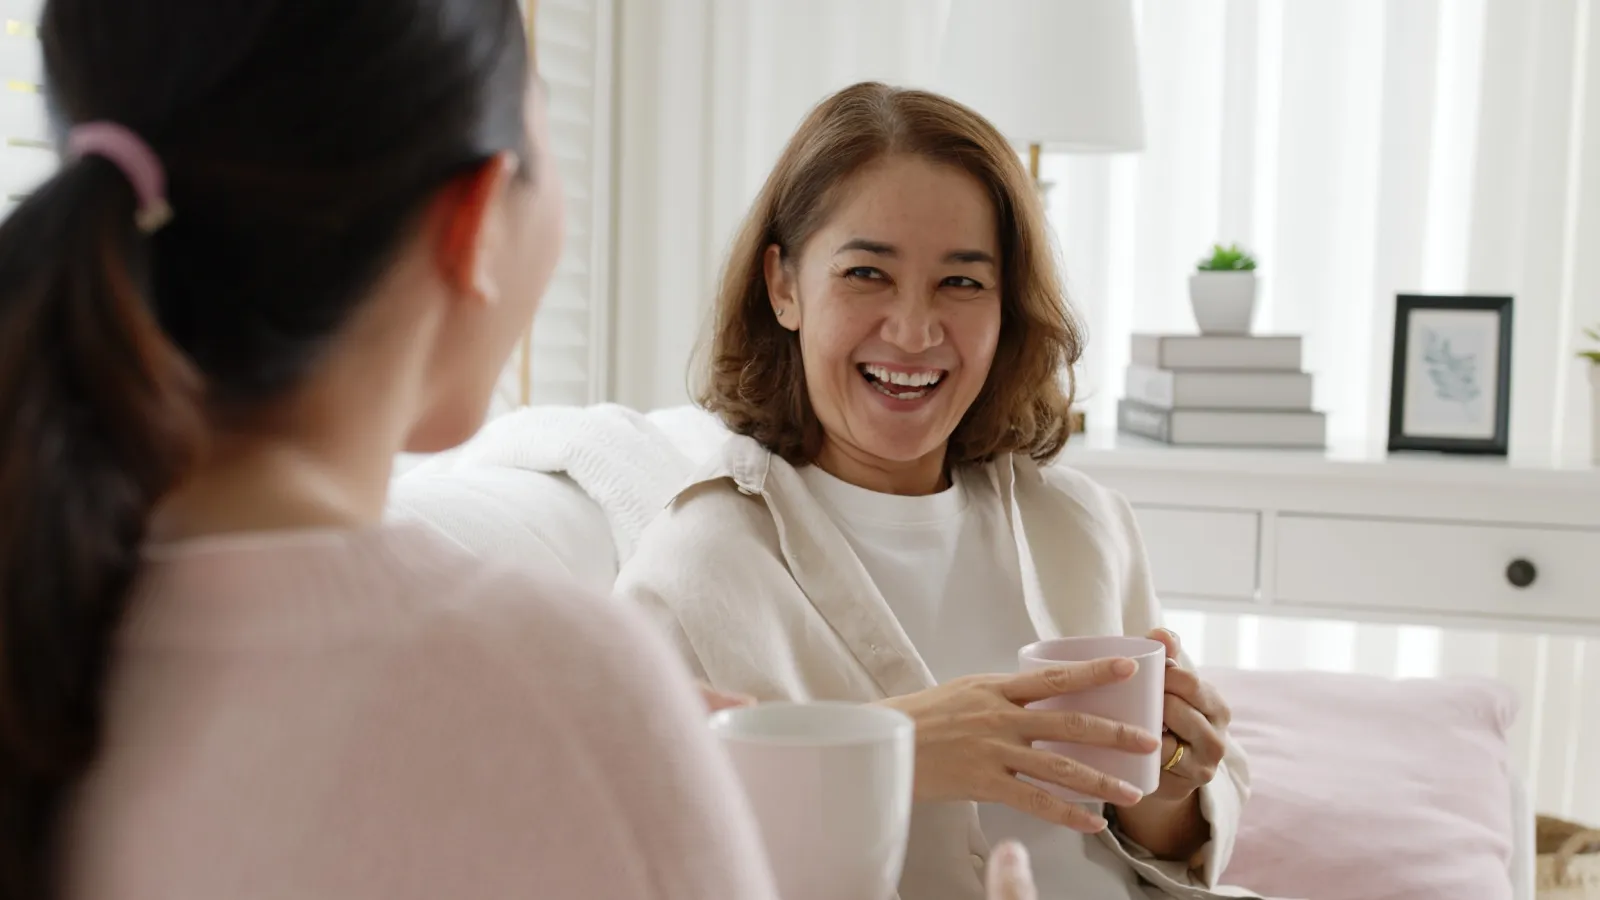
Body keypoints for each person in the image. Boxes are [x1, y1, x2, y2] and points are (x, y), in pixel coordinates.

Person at [615, 81, 1258, 900]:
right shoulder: (695, 569)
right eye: (866, 274)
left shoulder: (1082, 527)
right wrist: (892, 749)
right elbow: (643, 846)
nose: (915, 332)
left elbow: (1170, 839)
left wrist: (1171, 786)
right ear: (784, 286)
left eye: (962, 283)